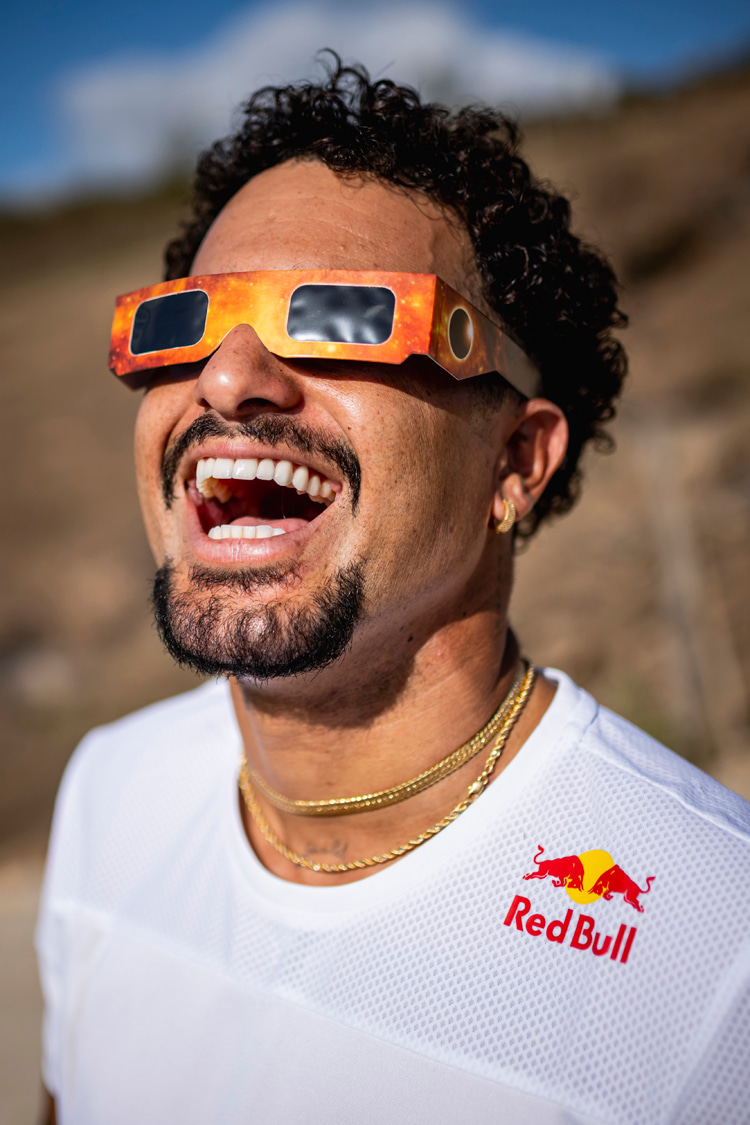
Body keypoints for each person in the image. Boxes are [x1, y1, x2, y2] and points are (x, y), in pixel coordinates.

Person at [36, 57, 750, 1125]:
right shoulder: (108, 789)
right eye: (185, 322)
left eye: (345, 319)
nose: (227, 379)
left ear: (515, 460)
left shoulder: (718, 946)